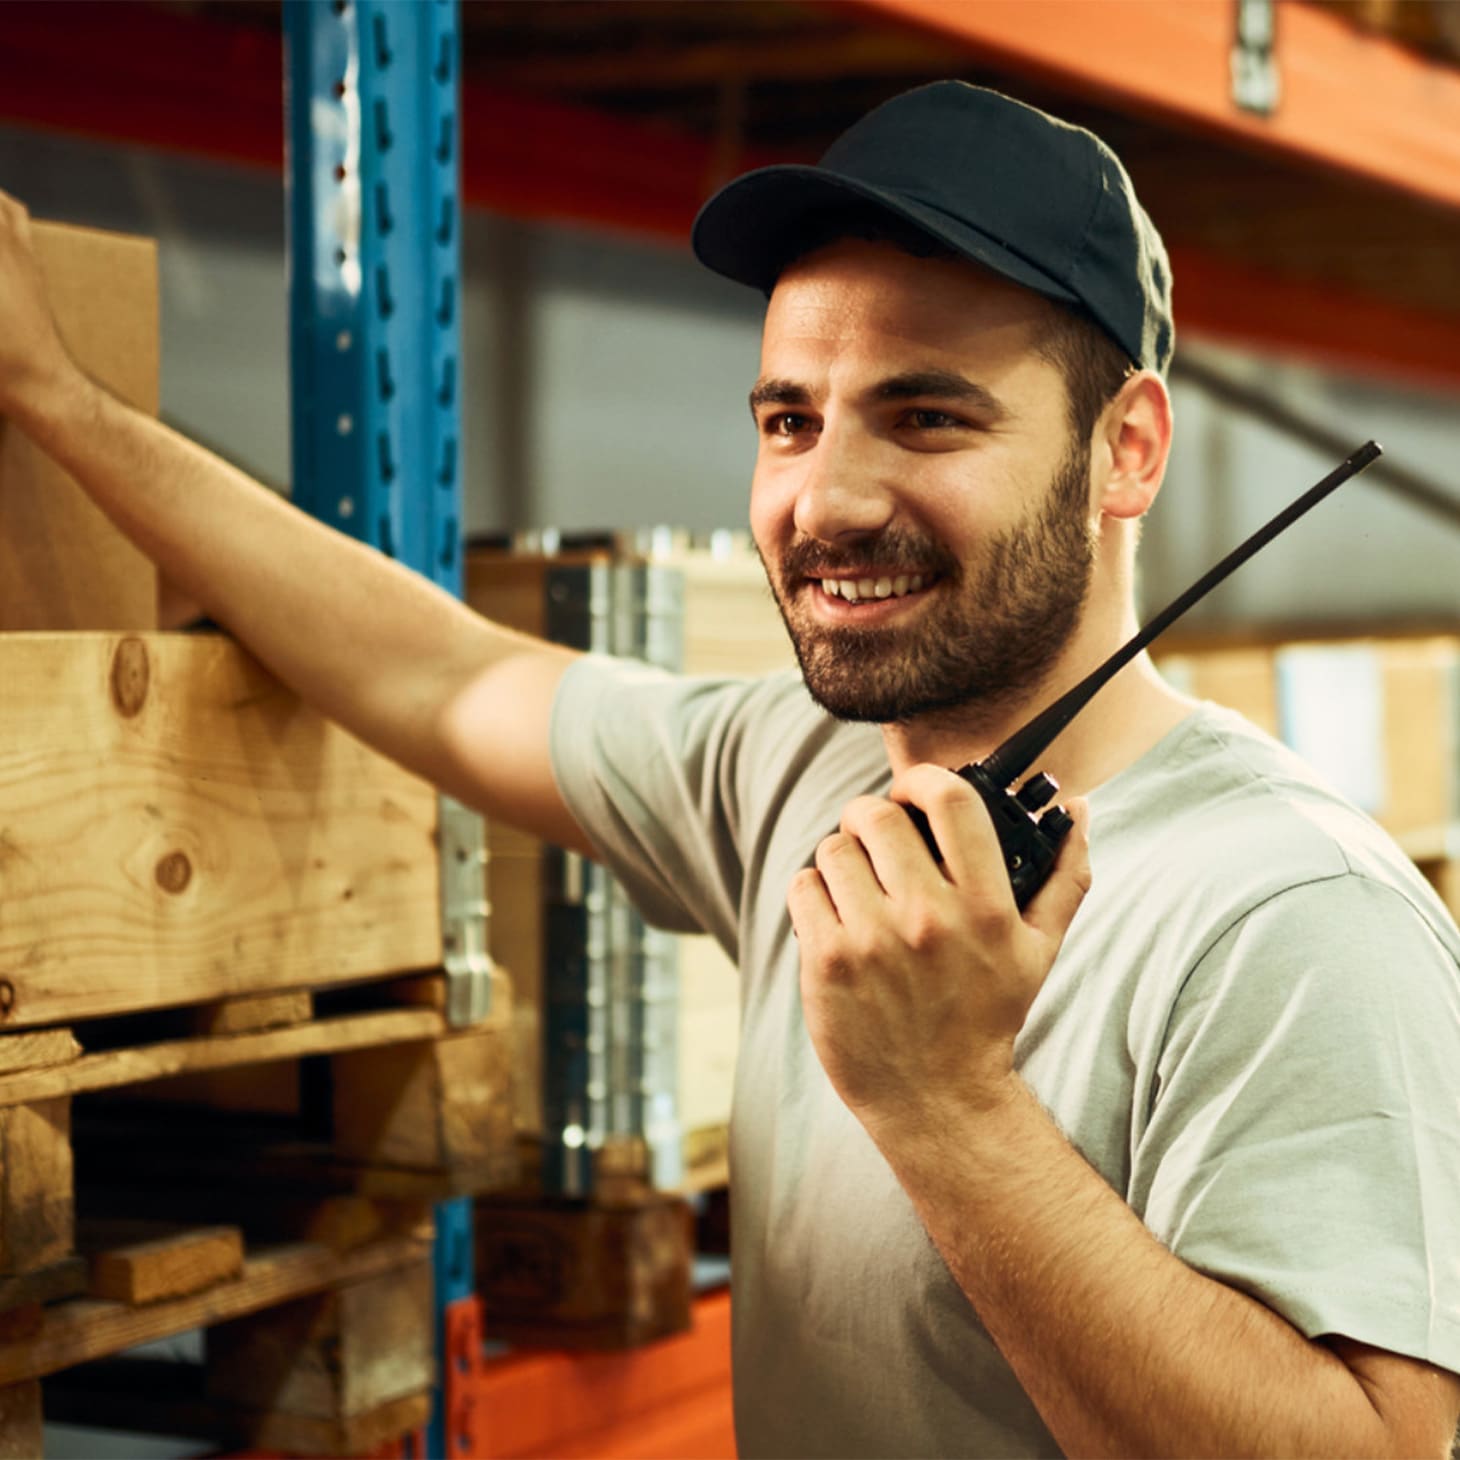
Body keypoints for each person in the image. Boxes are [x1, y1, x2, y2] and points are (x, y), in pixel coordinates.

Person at [2, 79, 1458, 1459]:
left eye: (927, 414)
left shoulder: (1291, 914)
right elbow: (445, 675)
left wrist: (948, 1109)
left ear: (1125, 448)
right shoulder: (794, 768)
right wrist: (55, 396)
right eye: (788, 420)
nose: (825, 497)